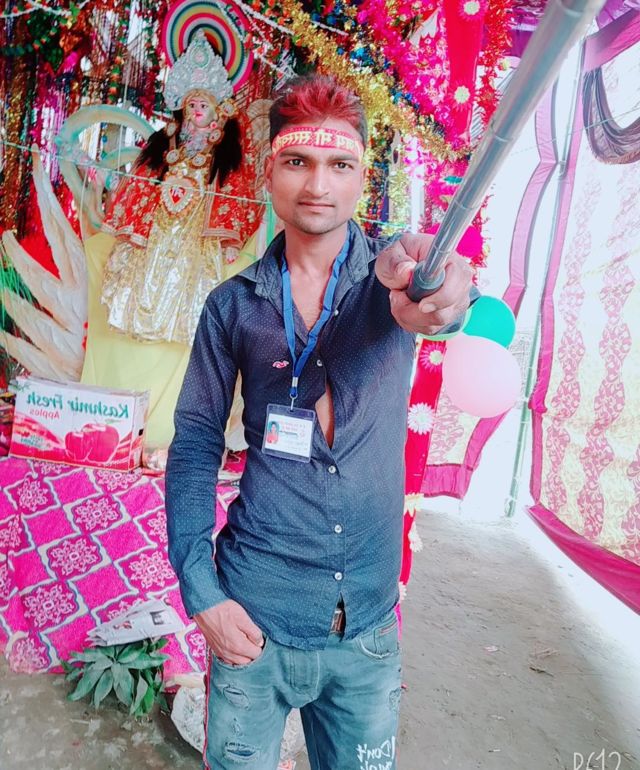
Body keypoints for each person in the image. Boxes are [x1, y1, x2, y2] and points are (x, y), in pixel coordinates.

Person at [166, 74, 474, 769]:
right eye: (298, 161)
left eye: (340, 165)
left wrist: (446, 298)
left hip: (367, 627)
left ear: (363, 178)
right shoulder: (232, 307)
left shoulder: (395, 281)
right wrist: (201, 592)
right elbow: (194, 444)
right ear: (268, 169)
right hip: (253, 617)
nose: (317, 184)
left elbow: (437, 296)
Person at [81, 30, 264, 455]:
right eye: (192, 105)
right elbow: (141, 186)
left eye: (204, 106)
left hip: (195, 248)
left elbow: (235, 196)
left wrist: (229, 238)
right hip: (154, 242)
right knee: (128, 299)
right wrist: (128, 229)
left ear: (217, 111)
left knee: (192, 321)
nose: (196, 112)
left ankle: (171, 425)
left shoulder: (225, 154)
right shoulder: (165, 145)